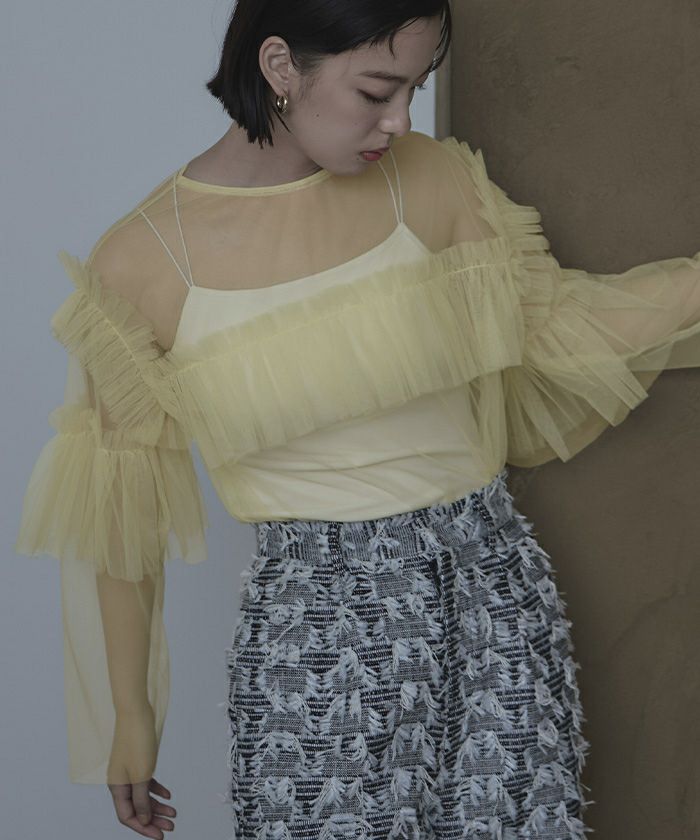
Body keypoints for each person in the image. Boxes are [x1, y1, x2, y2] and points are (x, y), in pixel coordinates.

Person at [14, 1, 700, 838]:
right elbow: (122, 521)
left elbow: (559, 327)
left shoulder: (430, 177)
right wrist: (131, 718)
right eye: (377, 90)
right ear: (280, 66)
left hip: (492, 594)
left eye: (414, 89)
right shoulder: (143, 261)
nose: (400, 119)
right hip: (316, 629)